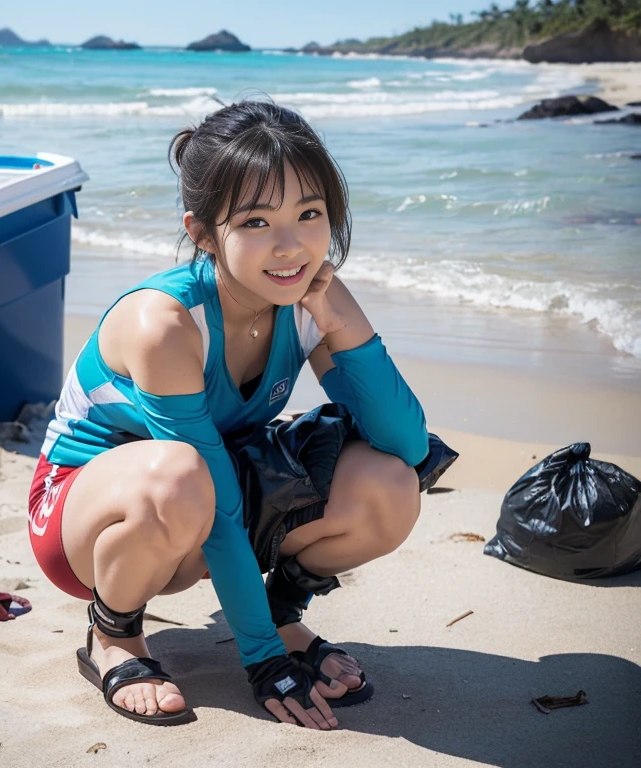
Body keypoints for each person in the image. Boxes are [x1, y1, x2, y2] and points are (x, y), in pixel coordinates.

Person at [28, 99, 430, 729]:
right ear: (203, 232)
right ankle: (113, 636)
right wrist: (263, 663)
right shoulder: (164, 324)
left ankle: (279, 609)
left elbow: (405, 440)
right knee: (181, 475)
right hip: (94, 516)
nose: (291, 245)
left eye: (310, 213)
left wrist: (337, 321)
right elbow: (215, 503)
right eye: (256, 222)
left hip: (207, 492)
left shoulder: (308, 293)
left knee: (391, 484)